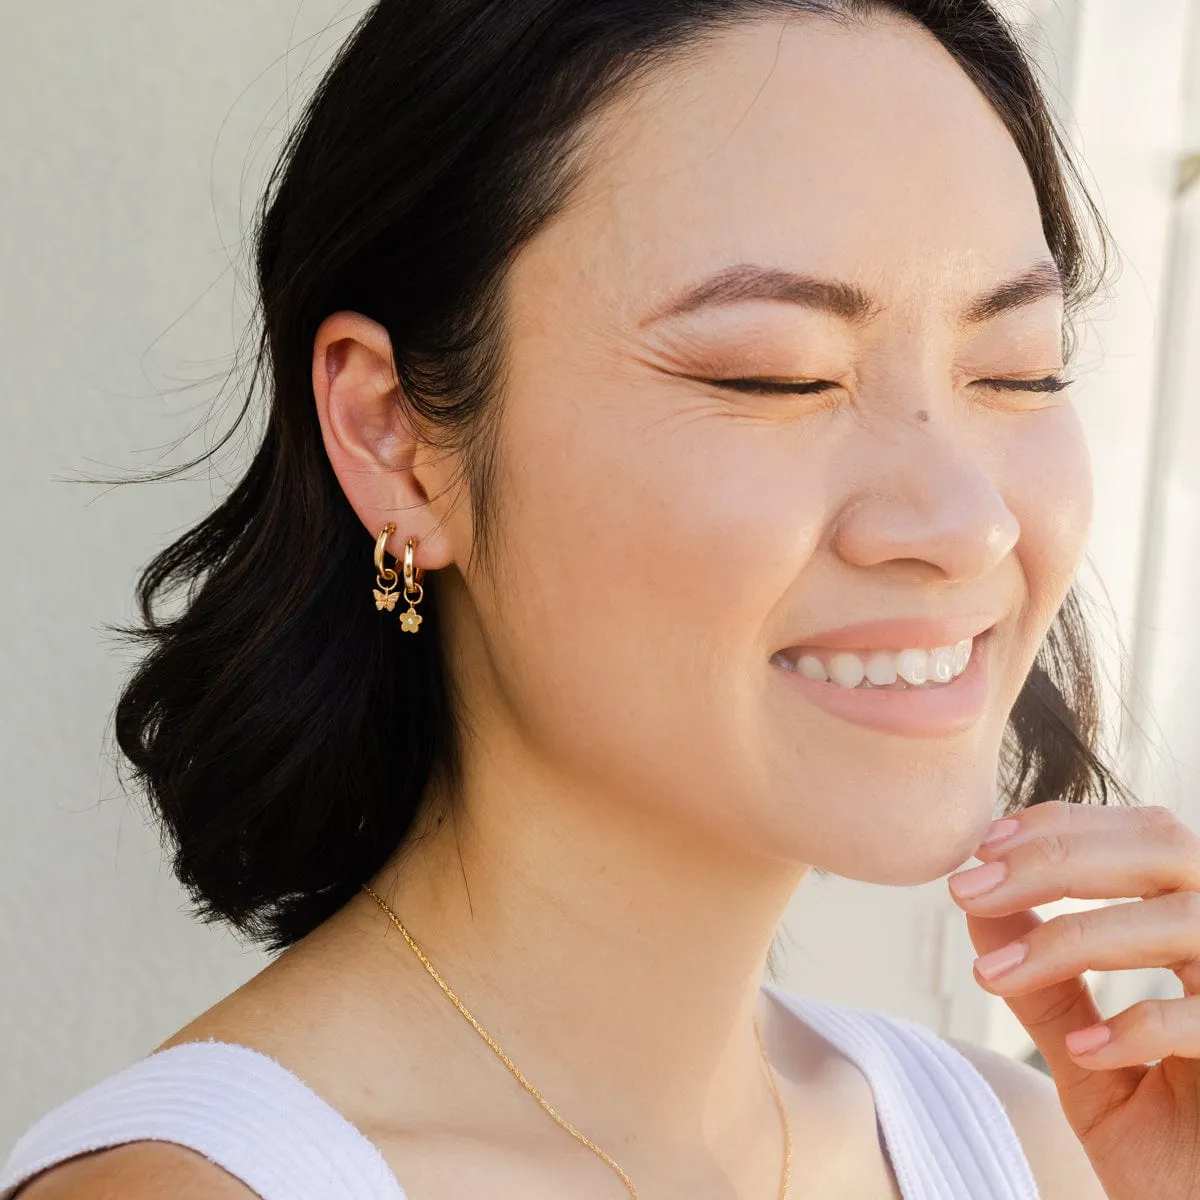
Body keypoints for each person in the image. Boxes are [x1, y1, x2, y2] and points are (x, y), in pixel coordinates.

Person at [6, 0, 1162, 1195]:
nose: (968, 519)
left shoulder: (1041, 1151)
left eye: (1017, 370)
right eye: (778, 376)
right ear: (397, 437)